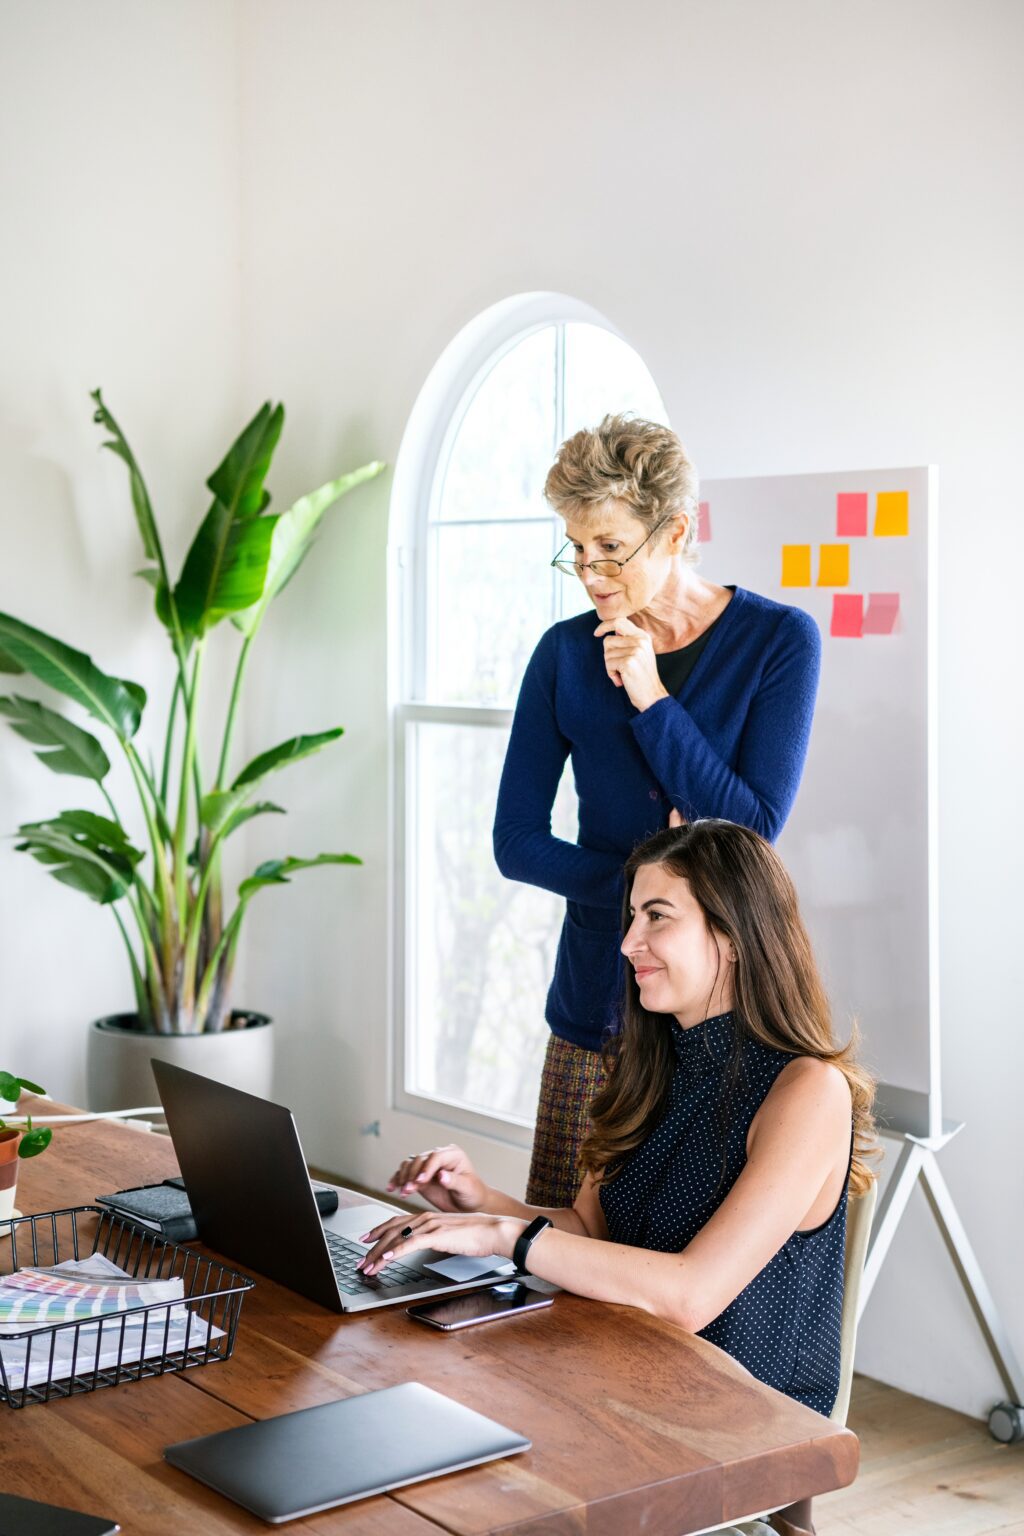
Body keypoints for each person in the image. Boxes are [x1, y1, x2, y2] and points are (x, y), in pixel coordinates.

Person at [359, 820, 876, 1432]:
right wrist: (479, 1204)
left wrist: (502, 1235)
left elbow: (689, 1296)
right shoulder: (649, 1064)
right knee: (416, 1383)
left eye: (658, 916)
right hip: (620, 1367)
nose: (629, 943)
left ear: (734, 935)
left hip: (738, 1415)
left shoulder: (808, 1091)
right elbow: (590, 1231)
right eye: (632, 918)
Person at [492, 415, 822, 1207]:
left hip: (725, 1021)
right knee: (559, 1253)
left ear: (676, 530)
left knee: (677, 1264)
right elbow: (516, 843)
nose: (590, 571)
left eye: (610, 546)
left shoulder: (779, 642)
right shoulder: (563, 654)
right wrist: (651, 899)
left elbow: (750, 832)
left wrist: (650, 696)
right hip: (594, 1006)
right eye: (575, 548)